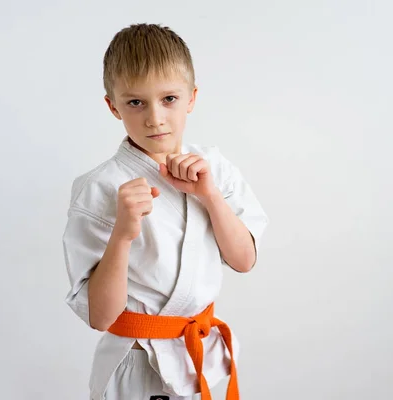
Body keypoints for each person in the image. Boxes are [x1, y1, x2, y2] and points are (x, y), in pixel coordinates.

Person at [62, 23, 268, 400]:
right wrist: (123, 234)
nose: (155, 118)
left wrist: (210, 197)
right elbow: (101, 317)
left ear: (191, 97)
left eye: (169, 99)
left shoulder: (215, 169)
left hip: (198, 355)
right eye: (136, 102)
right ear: (113, 106)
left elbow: (244, 260)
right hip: (136, 364)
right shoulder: (99, 188)